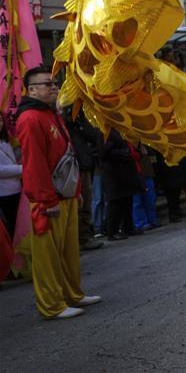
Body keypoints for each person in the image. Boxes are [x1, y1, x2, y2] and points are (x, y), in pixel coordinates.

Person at [17, 66, 101, 319]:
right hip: (48, 201)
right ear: (31, 90)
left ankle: (72, 293)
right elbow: (34, 165)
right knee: (49, 257)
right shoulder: (30, 118)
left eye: (54, 83)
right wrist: (45, 200)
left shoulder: (51, 114)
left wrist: (75, 191)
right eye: (46, 84)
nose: (53, 87)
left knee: (68, 251)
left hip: (65, 195)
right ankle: (51, 305)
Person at [64, 109, 104, 250]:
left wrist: (80, 118)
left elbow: (93, 135)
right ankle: (79, 239)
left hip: (84, 163)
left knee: (86, 201)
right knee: (79, 205)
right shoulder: (62, 121)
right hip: (72, 166)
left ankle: (84, 236)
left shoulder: (79, 120)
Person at [102, 131, 143, 239]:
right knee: (116, 202)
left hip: (125, 170)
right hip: (114, 171)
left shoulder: (120, 129)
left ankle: (128, 227)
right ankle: (112, 231)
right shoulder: (106, 131)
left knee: (127, 200)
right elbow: (104, 152)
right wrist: (122, 152)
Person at [0, 114, 22, 239]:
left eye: (0, 120)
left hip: (16, 189)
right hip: (3, 193)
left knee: (15, 226)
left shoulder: (5, 140)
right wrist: (22, 169)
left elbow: (12, 159)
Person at [132, 145, 160, 231]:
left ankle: (152, 219)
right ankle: (141, 222)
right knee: (137, 201)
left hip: (147, 170)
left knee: (150, 198)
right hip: (133, 173)